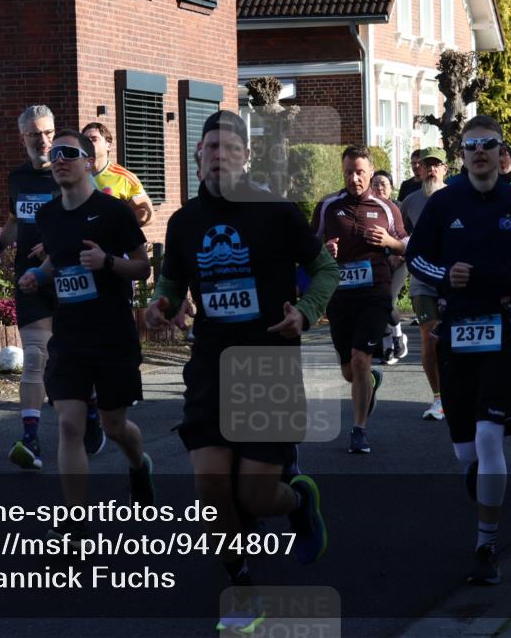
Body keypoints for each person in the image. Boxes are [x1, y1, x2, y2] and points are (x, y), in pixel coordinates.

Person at [146, 110, 337, 631]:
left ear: (246, 158)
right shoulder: (184, 222)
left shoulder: (276, 213)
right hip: (210, 365)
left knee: (254, 494)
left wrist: (306, 312)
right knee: (211, 487)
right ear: (198, 156)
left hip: (268, 364)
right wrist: (162, 304)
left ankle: (298, 499)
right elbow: (172, 281)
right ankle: (242, 584)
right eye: (211, 147)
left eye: (231, 148)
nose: (220, 156)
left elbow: (325, 268)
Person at [406, 115, 511, 585]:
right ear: (462, 155)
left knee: (489, 438)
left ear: (502, 152)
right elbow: (415, 257)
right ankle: (489, 485)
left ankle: (486, 545)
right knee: (466, 453)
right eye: (472, 146)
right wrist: (447, 274)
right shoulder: (444, 203)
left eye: (489, 144)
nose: (480, 151)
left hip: (505, 324)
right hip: (457, 329)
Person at [18, 130, 154, 537]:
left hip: (112, 333)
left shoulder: (113, 212)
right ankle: (74, 526)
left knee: (114, 427)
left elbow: (142, 267)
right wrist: (37, 274)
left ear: (87, 161)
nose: (59, 159)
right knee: (69, 425)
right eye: (55, 154)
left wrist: (107, 261)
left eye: (68, 153)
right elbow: (58, 262)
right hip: (69, 336)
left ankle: (139, 465)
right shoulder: (48, 216)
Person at [0, 105, 105, 471]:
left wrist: (55, 245)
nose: (44, 140)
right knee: (36, 356)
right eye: (35, 134)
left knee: (74, 358)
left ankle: (92, 411)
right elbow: (15, 219)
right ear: (22, 138)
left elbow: (92, 221)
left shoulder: (71, 173)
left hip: (71, 278)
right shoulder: (18, 178)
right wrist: (0, 241)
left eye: (49, 132)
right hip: (30, 279)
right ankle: (31, 439)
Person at [312, 146, 408, 454]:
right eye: (349, 172)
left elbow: (407, 244)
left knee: (360, 358)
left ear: (370, 172)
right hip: (340, 296)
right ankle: (370, 384)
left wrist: (390, 241)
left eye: (360, 172)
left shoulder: (386, 207)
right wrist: (324, 251)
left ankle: (359, 430)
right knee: (349, 371)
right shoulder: (328, 206)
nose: (354, 178)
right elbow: (308, 247)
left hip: (375, 293)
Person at [399, 146, 449, 420]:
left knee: (452, 338)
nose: (431, 169)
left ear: (445, 169)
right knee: (429, 338)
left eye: (436, 165)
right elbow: (402, 234)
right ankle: (438, 399)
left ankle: (457, 392)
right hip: (422, 279)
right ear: (419, 169)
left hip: (452, 279)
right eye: (427, 165)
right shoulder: (410, 201)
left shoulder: (457, 197)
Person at [81, 122, 154, 227]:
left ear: (108, 145)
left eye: (94, 139)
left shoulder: (124, 177)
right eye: (85, 140)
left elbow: (147, 214)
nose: (89, 143)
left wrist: (120, 226)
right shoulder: (76, 174)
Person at [370, 170, 409, 364]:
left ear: (391, 187)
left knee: (388, 300)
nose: (379, 188)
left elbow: (409, 236)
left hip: (399, 262)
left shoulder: (399, 207)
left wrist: (398, 253)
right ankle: (387, 346)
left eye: (383, 184)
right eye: (375, 184)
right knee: (378, 303)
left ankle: (398, 336)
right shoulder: (367, 208)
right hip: (378, 263)